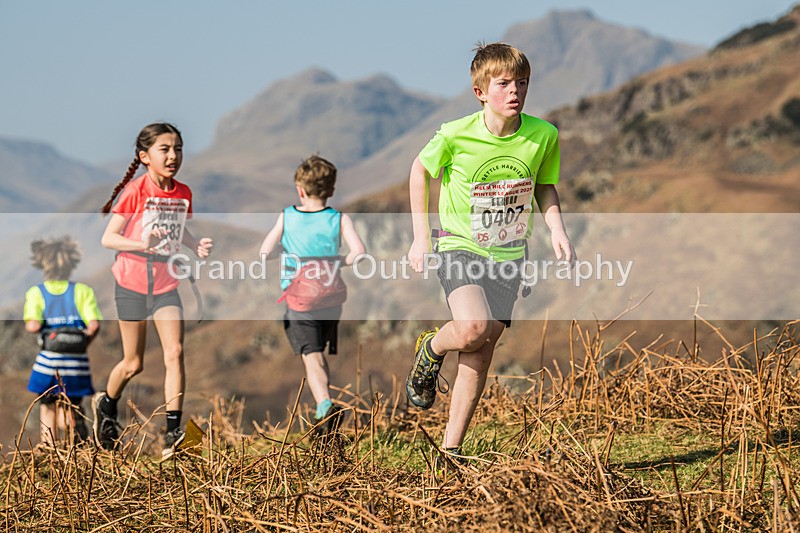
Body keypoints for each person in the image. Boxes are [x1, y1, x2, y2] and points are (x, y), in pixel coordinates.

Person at [405, 43, 575, 457]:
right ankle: (431, 348)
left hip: (509, 255)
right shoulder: (455, 133)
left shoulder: (543, 135)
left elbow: (544, 185)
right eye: (504, 84)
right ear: (481, 91)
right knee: (471, 328)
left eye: (522, 82)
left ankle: (451, 451)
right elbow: (419, 170)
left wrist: (557, 229)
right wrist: (420, 236)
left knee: (480, 354)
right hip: (459, 245)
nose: (515, 91)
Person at [94, 122, 212, 457]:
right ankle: (107, 405)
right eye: (165, 149)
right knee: (133, 364)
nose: (173, 156)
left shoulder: (183, 192)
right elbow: (108, 238)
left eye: (178, 148)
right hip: (130, 284)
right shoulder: (135, 192)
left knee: (174, 352)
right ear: (145, 156)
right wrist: (140, 243)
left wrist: (194, 245)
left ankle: (173, 434)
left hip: (165, 286)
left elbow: (178, 232)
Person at [259, 155, 365, 434]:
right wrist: (337, 261)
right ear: (331, 190)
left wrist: (287, 254)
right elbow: (359, 253)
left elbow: (265, 252)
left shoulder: (287, 215)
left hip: (300, 300)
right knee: (319, 354)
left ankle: (324, 406)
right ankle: (324, 405)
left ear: (300, 190)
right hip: (332, 298)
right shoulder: (339, 218)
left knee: (312, 355)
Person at [24, 236, 102, 447]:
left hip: (49, 362)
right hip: (77, 363)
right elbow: (93, 325)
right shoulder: (83, 291)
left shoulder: (36, 293)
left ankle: (49, 450)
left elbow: (32, 325)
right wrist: (83, 343)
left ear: (43, 264)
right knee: (71, 407)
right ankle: (77, 448)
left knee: (47, 405)